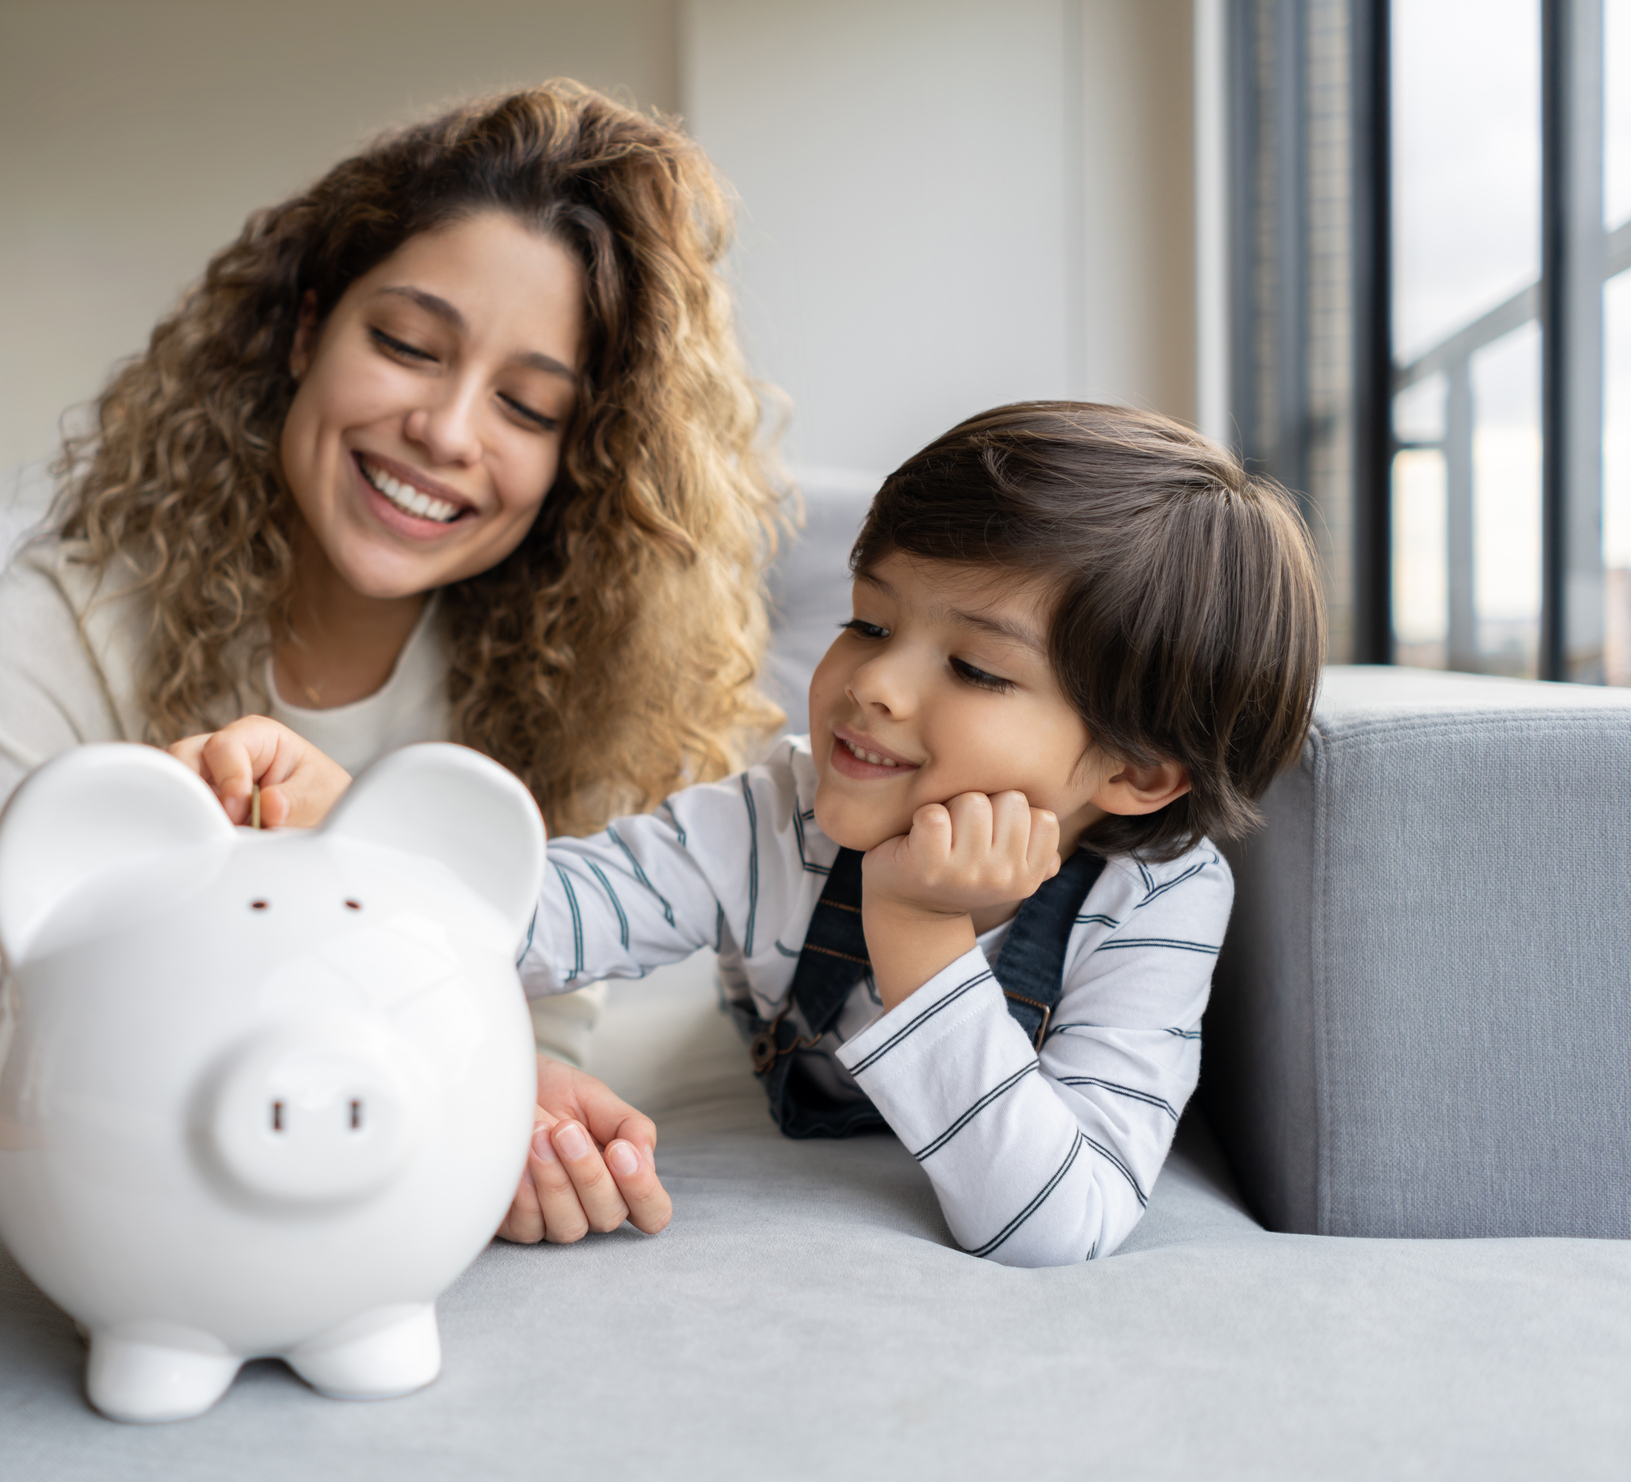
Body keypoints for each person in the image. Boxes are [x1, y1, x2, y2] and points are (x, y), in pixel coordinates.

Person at [0, 82, 785, 1238]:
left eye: (529, 409)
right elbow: (18, 1103)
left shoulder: (584, 685)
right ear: (306, 328)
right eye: (404, 345)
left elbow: (527, 1042)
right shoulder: (48, 636)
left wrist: (520, 1110)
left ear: (577, 461)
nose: (446, 431)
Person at [189, 402, 1325, 1261]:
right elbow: (546, 915)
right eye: (864, 620)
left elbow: (1055, 1218)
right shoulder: (771, 816)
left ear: (1136, 770)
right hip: (758, 1022)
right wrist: (357, 832)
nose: (871, 682)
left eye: (975, 667)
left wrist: (921, 936)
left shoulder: (1158, 903)